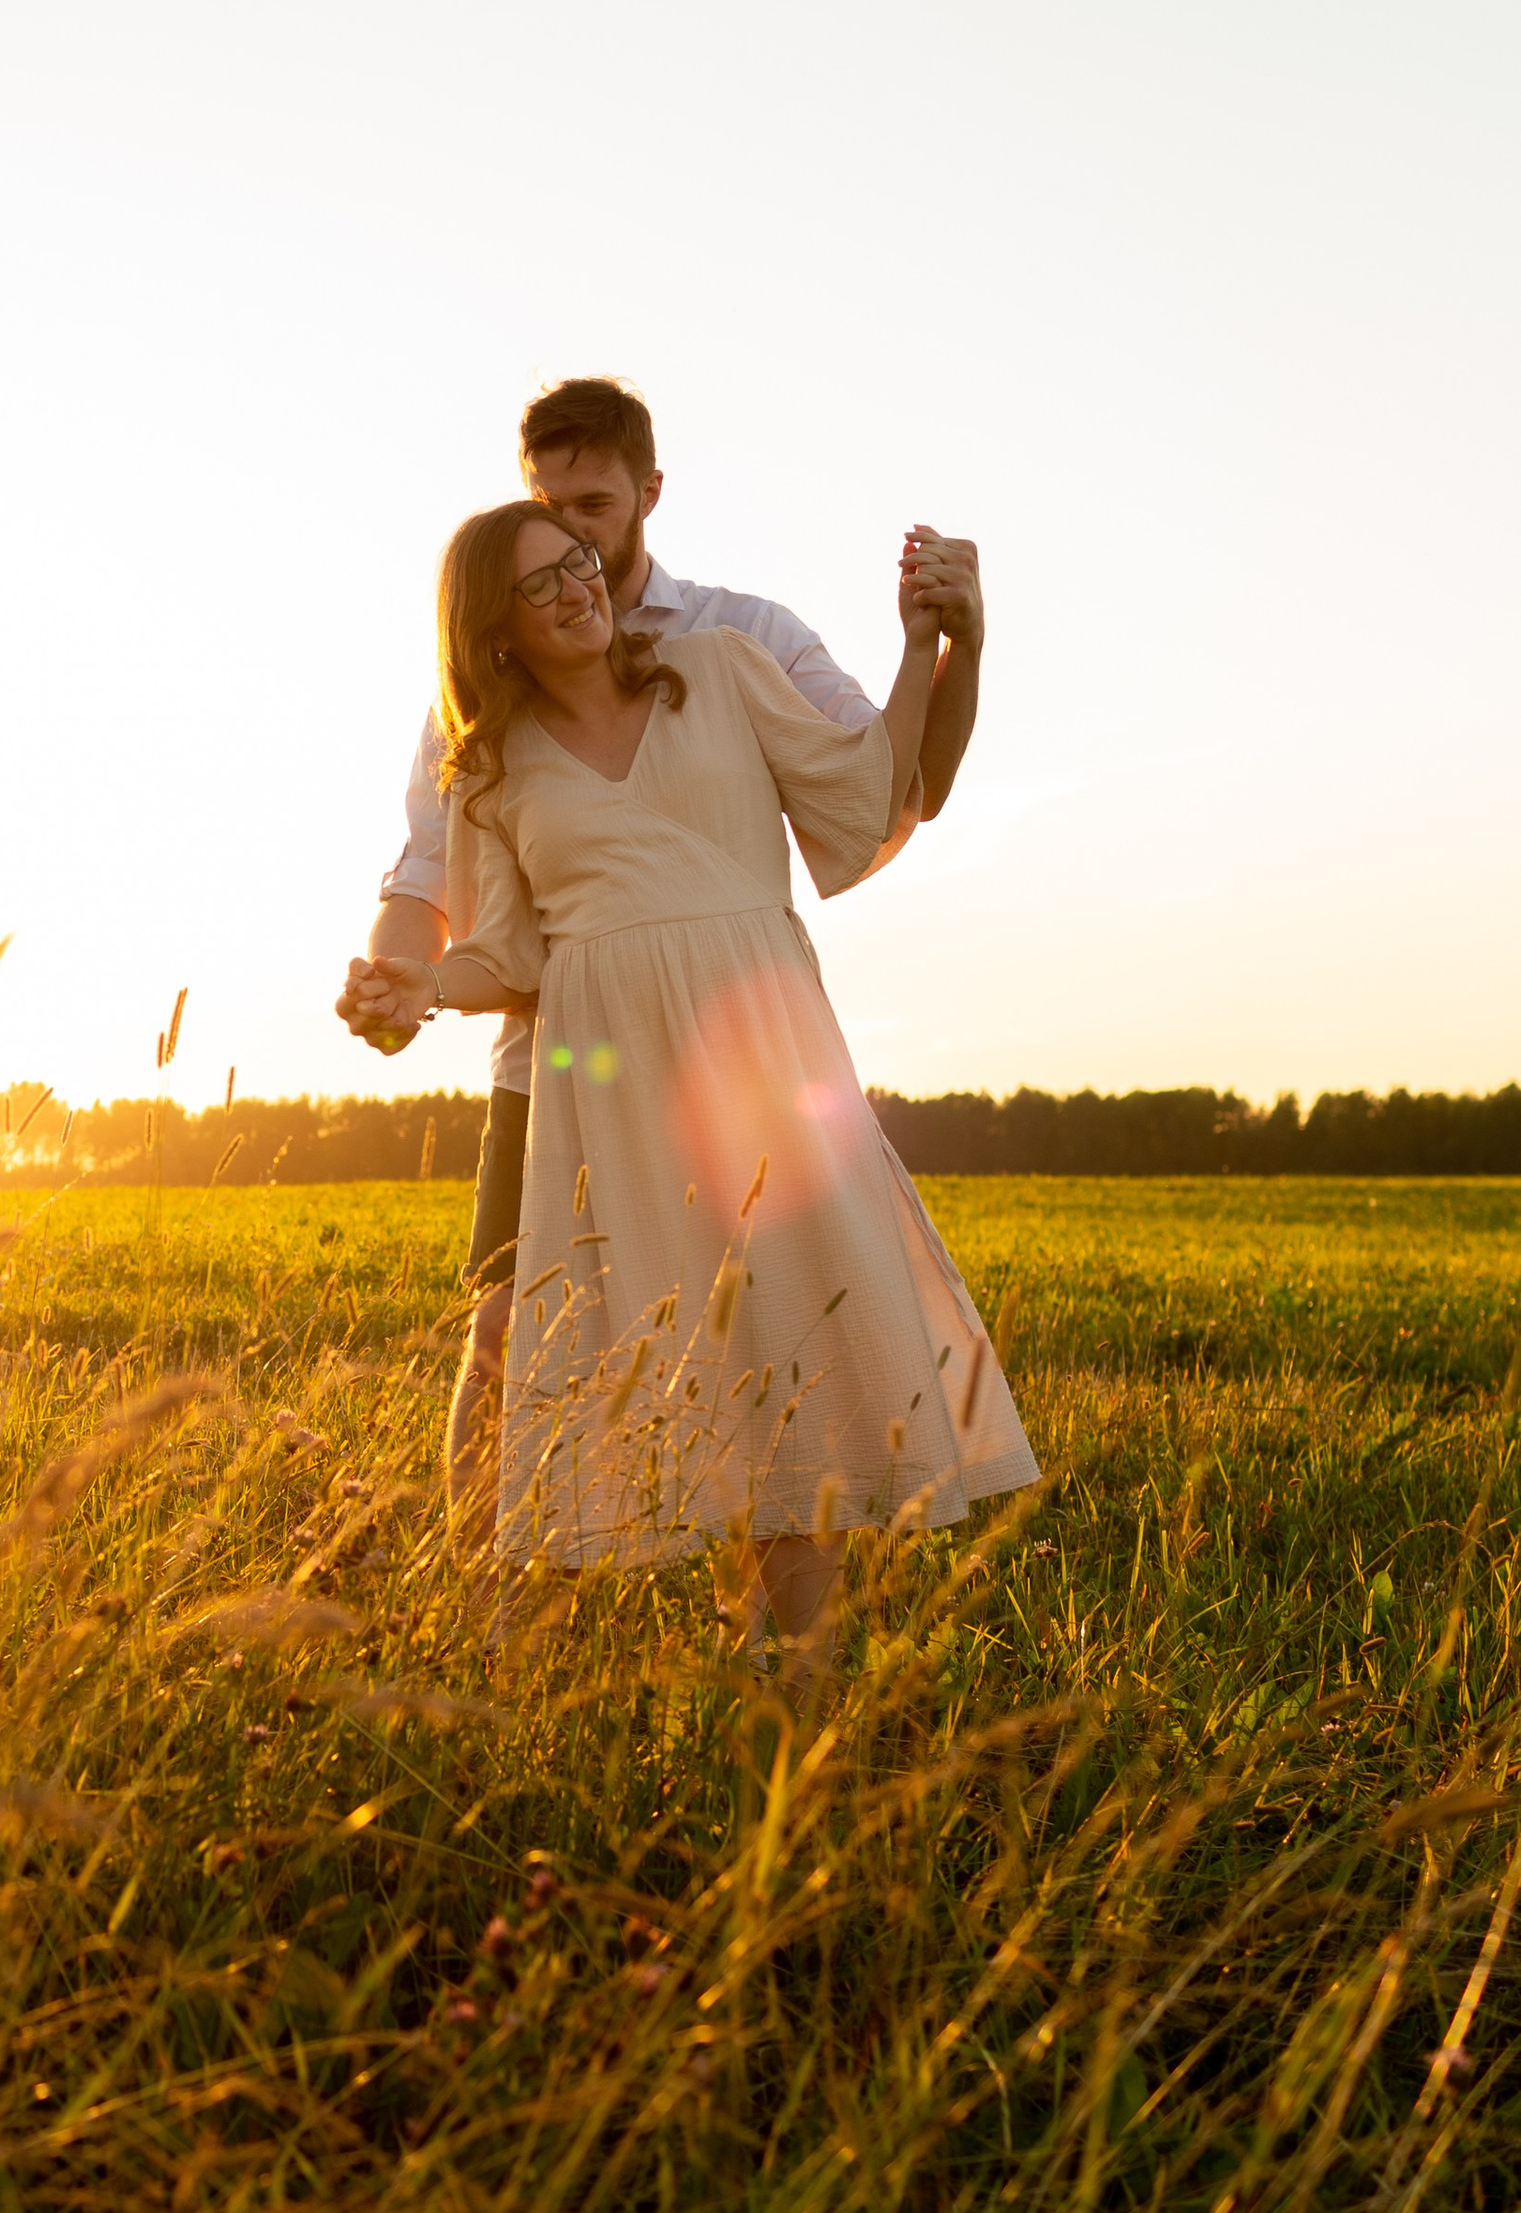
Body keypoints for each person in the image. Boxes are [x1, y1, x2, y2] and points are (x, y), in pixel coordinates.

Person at [341, 502, 1034, 1646]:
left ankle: (797, 1692)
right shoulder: (491, 768)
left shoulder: (717, 667)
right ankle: (536, 1645)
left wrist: (925, 651)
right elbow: (510, 951)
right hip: (618, 1104)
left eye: (577, 561)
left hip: (763, 1056)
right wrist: (419, 987)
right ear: (489, 629)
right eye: (539, 583)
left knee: (795, 1351)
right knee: (683, 1365)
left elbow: (863, 807)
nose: (577, 586)